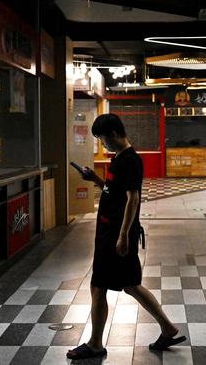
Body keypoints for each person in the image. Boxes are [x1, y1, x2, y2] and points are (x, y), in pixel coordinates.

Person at [67, 114, 185, 360]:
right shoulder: (120, 159)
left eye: (101, 138)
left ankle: (96, 344)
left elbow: (133, 198)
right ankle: (168, 328)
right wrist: (96, 180)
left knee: (98, 286)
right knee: (130, 284)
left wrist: (122, 236)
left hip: (115, 234)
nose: (102, 144)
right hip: (113, 232)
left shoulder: (128, 161)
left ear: (112, 133)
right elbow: (116, 192)